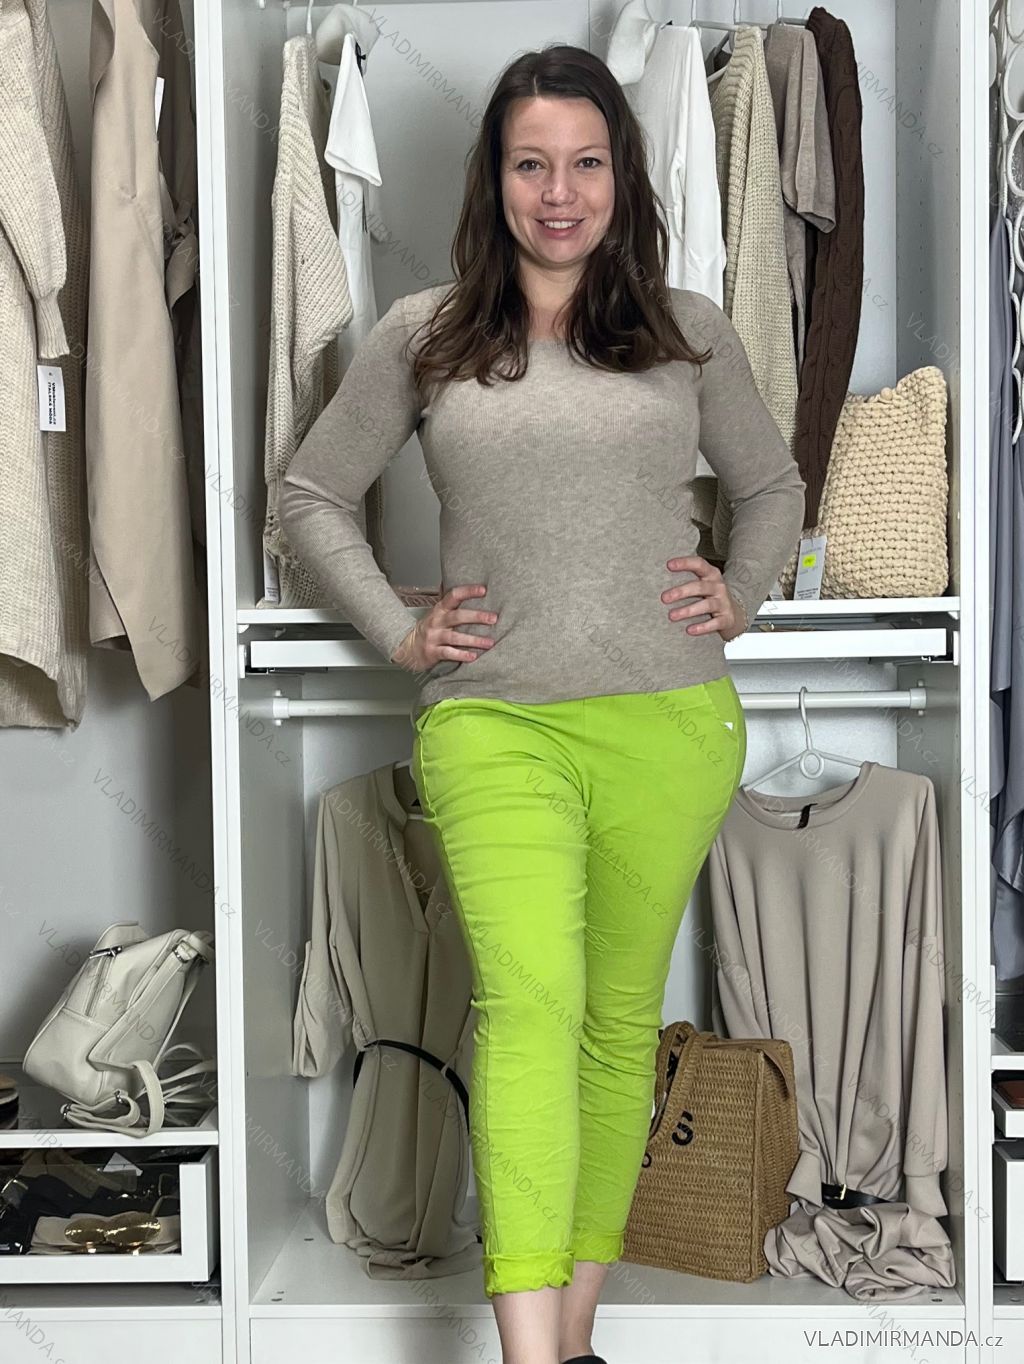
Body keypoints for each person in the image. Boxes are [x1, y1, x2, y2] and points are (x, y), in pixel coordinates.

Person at [279, 42, 805, 1364]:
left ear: (622, 176)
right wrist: (400, 629)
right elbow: (309, 495)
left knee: (617, 1030)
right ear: (494, 178)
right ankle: (532, 1360)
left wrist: (741, 593)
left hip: (669, 727)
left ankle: (572, 1340)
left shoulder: (688, 330)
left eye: (585, 163)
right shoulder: (426, 334)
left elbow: (773, 488)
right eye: (531, 164)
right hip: (494, 724)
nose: (558, 194)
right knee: (527, 1015)